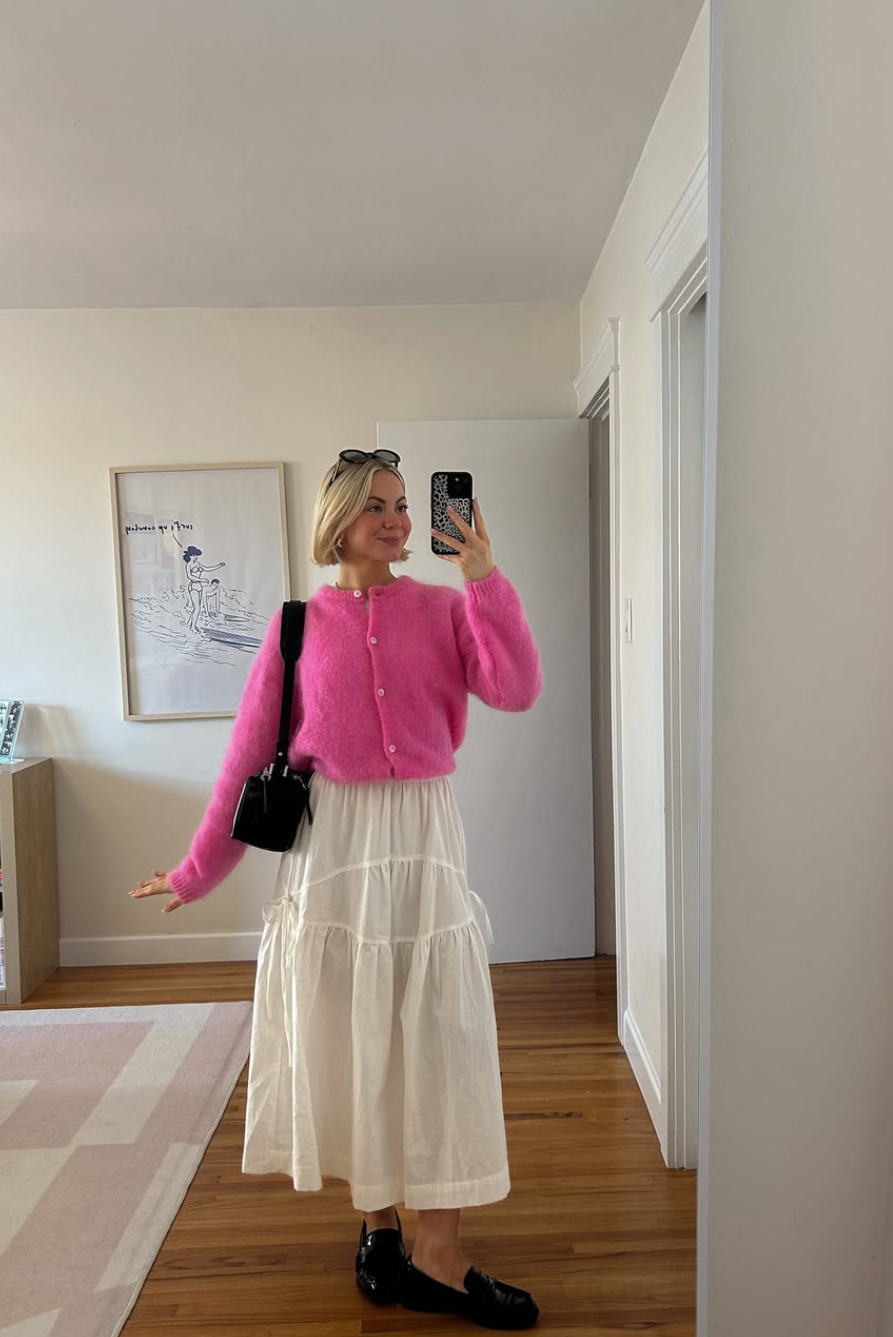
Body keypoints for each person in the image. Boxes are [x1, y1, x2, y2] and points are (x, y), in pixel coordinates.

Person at [129, 448, 543, 1330]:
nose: (395, 520)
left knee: (435, 1030)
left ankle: (439, 1252)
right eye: (375, 506)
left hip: (422, 839)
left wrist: (483, 576)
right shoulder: (297, 627)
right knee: (352, 1029)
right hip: (335, 847)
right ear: (338, 520)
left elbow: (515, 688)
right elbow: (246, 758)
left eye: (401, 504)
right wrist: (196, 869)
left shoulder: (443, 607)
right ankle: (378, 1220)